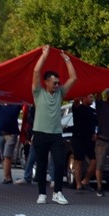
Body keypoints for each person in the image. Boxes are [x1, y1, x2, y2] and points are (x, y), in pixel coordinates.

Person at [30, 46, 77, 205]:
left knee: (59, 162)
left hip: (56, 135)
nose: (57, 85)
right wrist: (45, 55)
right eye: (54, 83)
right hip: (40, 134)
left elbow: (73, 78)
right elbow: (36, 72)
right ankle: (42, 194)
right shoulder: (38, 92)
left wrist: (67, 59)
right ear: (46, 82)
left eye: (58, 83)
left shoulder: (60, 94)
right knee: (41, 165)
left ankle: (57, 193)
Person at [70, 94, 98, 192]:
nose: (92, 99)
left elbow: (97, 124)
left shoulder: (93, 112)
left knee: (95, 161)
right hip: (78, 138)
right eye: (90, 97)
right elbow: (76, 102)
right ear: (83, 98)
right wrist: (80, 92)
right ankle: (78, 185)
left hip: (90, 140)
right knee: (78, 161)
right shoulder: (78, 108)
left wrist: (95, 133)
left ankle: (85, 181)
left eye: (92, 97)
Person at [0, 101, 22, 184]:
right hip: (1, 135)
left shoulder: (16, 105)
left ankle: (6, 178)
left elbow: (24, 103)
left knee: (7, 156)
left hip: (11, 135)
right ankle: (9, 176)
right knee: (4, 157)